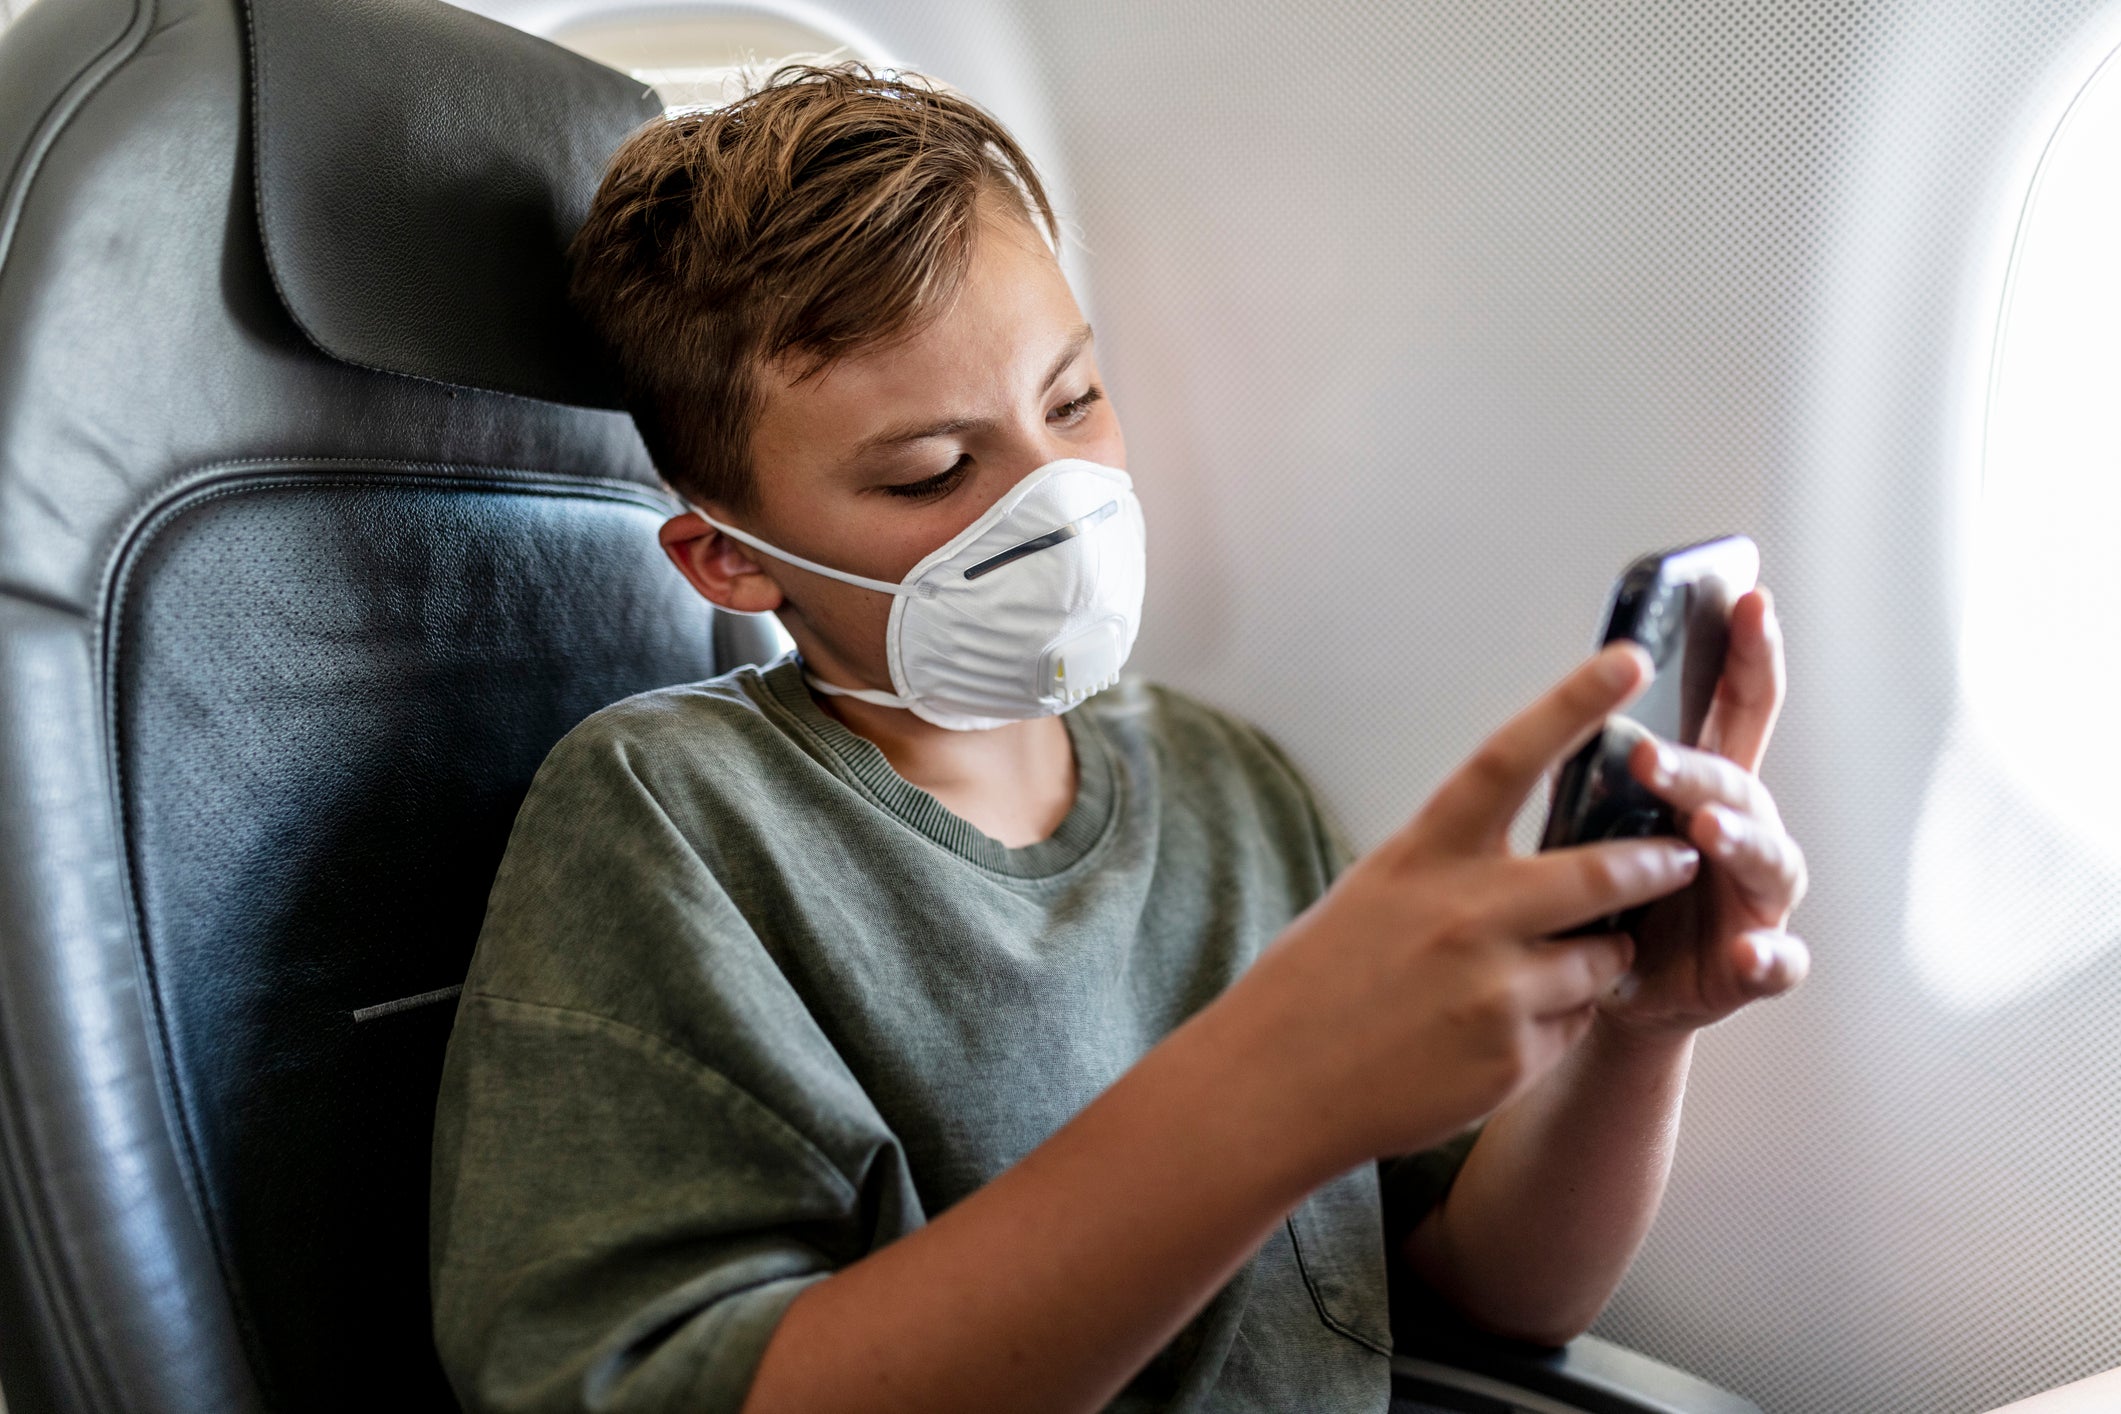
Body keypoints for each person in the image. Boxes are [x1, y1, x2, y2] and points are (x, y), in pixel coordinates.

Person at [428, 61, 1809, 1414]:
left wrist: (1639, 1028)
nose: (1061, 500)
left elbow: (1478, 1301)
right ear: (730, 562)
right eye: (932, 472)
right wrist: (1267, 1090)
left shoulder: (1224, 782)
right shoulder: (671, 816)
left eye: (1074, 400)